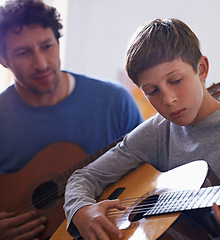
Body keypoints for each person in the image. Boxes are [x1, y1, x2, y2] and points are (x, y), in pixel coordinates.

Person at [63, 18, 220, 239]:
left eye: (175, 80)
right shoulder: (156, 132)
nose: (169, 99)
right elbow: (84, 177)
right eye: (152, 91)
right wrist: (80, 210)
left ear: (201, 68)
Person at [0, 0, 142, 239]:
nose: (41, 63)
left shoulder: (114, 101)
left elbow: (149, 172)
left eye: (47, 46)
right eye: (23, 53)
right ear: (4, 60)